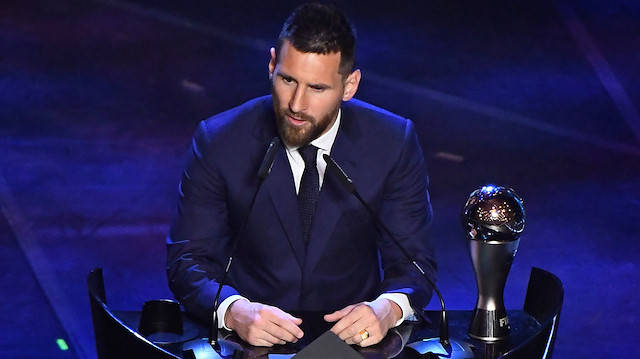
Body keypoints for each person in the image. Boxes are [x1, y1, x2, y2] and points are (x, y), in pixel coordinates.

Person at [166, 2, 436, 348]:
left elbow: (414, 262)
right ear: (271, 65)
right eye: (288, 80)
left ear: (350, 86)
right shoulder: (220, 140)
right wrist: (234, 311)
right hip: (249, 341)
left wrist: (386, 309)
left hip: (348, 346)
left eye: (317, 88)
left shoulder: (392, 142)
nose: (296, 103)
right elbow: (188, 261)